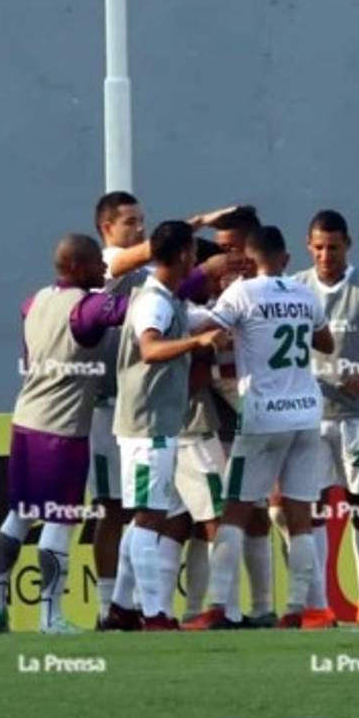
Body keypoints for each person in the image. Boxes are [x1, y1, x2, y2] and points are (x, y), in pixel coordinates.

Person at [91, 192, 236, 628]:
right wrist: (198, 343)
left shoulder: (167, 297)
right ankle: (154, 613)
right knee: (149, 516)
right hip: (145, 423)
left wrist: (236, 310)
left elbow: (195, 322)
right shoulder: (152, 299)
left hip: (159, 423)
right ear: (186, 254)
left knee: (148, 515)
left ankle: (120, 607)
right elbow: (151, 348)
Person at [183, 226, 334, 631]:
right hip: (305, 414)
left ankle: (216, 606)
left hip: (263, 415)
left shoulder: (242, 293)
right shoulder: (306, 294)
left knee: (233, 512)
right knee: (299, 516)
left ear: (248, 262)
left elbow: (204, 330)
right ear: (285, 258)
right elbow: (327, 343)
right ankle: (301, 610)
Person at [0, 234, 128, 634]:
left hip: (25, 420)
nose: (105, 269)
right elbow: (140, 309)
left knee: (21, 514)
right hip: (61, 431)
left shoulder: (34, 301)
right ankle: (51, 616)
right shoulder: (85, 308)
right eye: (98, 262)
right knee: (59, 520)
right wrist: (185, 280)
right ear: (78, 267)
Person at [290, 209, 359, 628]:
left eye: (333, 247)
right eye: (318, 247)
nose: (325, 255)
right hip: (310, 415)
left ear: (347, 245)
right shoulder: (297, 287)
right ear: (308, 246)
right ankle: (319, 604)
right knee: (314, 506)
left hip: (357, 415)